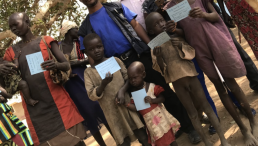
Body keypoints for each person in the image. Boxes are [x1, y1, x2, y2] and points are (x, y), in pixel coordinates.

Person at [76, 0, 201, 144]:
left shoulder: (115, 7)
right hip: (119, 68)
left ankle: (188, 127)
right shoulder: (84, 28)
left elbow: (135, 25)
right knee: (142, 105)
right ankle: (161, 136)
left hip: (139, 55)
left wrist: (151, 45)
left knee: (162, 91)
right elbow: (92, 58)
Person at [165, 0, 258, 146]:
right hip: (200, 51)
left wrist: (202, 14)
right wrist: (174, 29)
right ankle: (243, 129)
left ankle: (253, 122)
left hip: (216, 41)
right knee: (220, 88)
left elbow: (216, 17)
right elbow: (184, 32)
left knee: (232, 84)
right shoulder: (171, 7)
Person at [145, 12, 230, 146]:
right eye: (156, 24)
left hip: (191, 77)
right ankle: (207, 142)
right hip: (177, 83)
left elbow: (191, 54)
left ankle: (224, 140)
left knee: (206, 107)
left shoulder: (176, 36)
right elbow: (161, 70)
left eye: (162, 21)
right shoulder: (155, 48)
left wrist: (180, 45)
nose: (161, 25)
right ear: (150, 31)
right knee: (192, 114)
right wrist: (159, 56)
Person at [2, 12, 86, 146]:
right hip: (35, 110)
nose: (13, 29)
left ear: (27, 21)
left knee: (76, 143)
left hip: (59, 103)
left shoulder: (45, 41)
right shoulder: (11, 52)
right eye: (10, 27)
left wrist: (56, 65)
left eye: (15, 24)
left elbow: (66, 65)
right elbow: (6, 82)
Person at [83, 33, 150, 146]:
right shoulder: (88, 73)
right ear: (86, 53)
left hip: (128, 105)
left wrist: (122, 90)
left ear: (103, 46)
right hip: (112, 113)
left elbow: (128, 78)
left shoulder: (115, 60)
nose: (96, 51)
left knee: (142, 135)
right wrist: (103, 84)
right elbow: (91, 95)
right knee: (123, 141)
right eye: (91, 49)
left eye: (99, 47)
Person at [59, 20, 111, 146]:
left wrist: (70, 64)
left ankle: (117, 137)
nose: (78, 31)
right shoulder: (58, 46)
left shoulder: (80, 43)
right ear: (68, 31)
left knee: (99, 107)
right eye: (75, 29)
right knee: (86, 114)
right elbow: (59, 65)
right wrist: (73, 64)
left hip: (84, 76)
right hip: (71, 85)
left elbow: (89, 59)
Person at [126, 62, 180, 146]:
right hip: (151, 124)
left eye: (135, 77)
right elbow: (137, 108)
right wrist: (127, 105)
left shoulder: (151, 87)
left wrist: (152, 100)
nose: (132, 81)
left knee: (171, 138)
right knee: (159, 141)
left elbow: (162, 98)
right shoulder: (135, 94)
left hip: (162, 120)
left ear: (143, 75)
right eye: (130, 79)